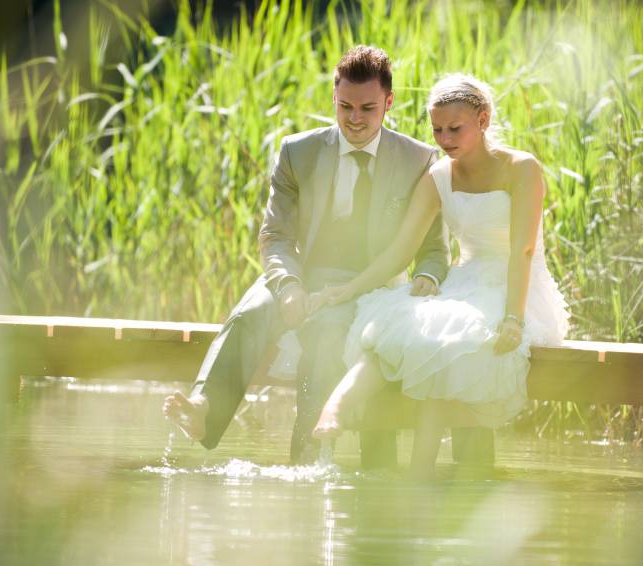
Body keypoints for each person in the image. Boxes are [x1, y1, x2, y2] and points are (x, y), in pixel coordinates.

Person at [163, 45, 453, 464]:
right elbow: (276, 234)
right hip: (303, 273)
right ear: (333, 98)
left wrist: (428, 275)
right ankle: (204, 408)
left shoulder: (417, 160)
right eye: (345, 106)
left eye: (367, 108)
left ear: (389, 102)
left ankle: (308, 462)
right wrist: (289, 286)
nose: (355, 118)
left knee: (327, 336)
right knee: (249, 314)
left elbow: (433, 248)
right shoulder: (297, 152)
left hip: (371, 285)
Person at [309, 74, 570, 479]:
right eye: (437, 130)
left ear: (482, 120)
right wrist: (351, 287)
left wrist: (513, 318)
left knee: (455, 342)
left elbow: (524, 250)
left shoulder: (522, 168)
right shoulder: (438, 176)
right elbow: (401, 249)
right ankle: (335, 408)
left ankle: (419, 474)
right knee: (397, 327)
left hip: (513, 285)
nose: (444, 138)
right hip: (464, 281)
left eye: (455, 129)